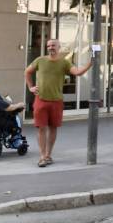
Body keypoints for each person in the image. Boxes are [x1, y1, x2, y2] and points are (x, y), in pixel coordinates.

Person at [25, 39, 92, 168]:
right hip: (41, 100)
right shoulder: (40, 60)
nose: (51, 47)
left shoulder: (64, 63)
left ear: (59, 47)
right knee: (41, 128)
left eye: (53, 45)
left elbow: (78, 72)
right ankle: (42, 156)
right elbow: (27, 72)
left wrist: (90, 63)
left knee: (53, 128)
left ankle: (48, 155)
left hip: (56, 101)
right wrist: (30, 87)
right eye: (49, 45)